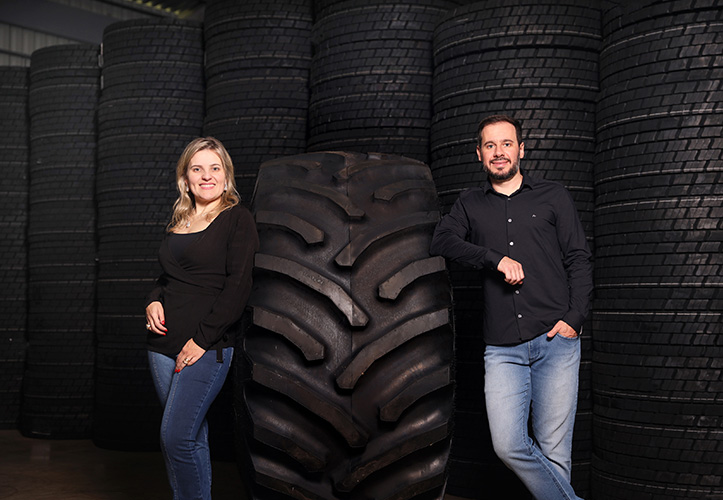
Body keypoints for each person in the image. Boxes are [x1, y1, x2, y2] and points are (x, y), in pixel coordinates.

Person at [430, 115, 592, 499]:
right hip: (503, 347)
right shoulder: (470, 203)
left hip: (556, 339)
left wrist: (574, 319)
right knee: (508, 445)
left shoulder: (553, 196)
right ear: (479, 154)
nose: (499, 152)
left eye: (506, 144)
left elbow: (579, 259)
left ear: (521, 149)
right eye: (490, 145)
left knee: (554, 453)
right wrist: (494, 258)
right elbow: (441, 241)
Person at [144, 137, 258, 500]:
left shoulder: (237, 219)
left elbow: (238, 287)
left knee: (176, 437)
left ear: (226, 177)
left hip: (205, 345)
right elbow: (168, 277)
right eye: (197, 169)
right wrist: (152, 300)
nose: (206, 176)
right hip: (161, 345)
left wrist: (201, 341)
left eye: (214, 168)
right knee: (191, 437)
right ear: (185, 178)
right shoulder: (179, 221)